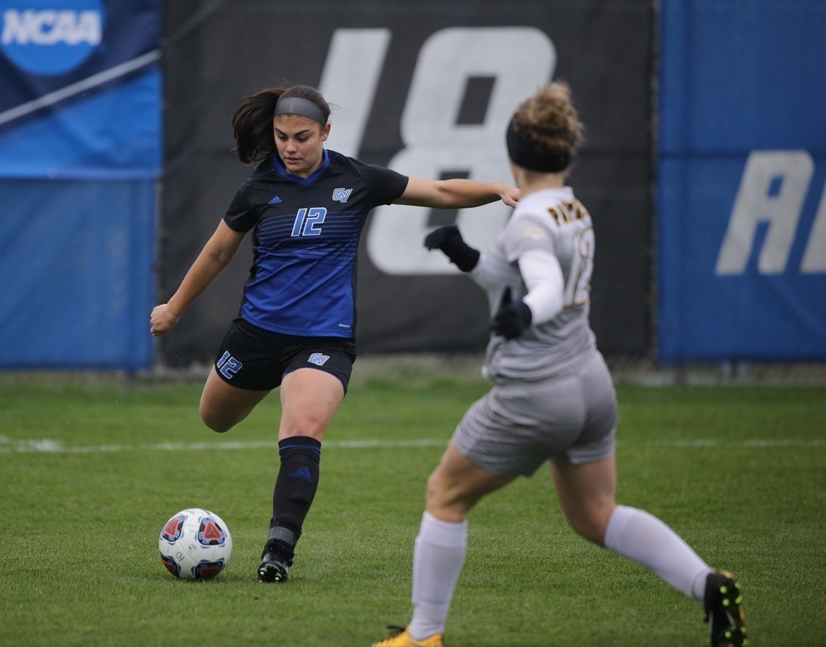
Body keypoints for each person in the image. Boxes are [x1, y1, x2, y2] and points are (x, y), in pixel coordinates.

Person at [372, 82, 748, 647]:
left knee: (445, 496)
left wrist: (525, 314)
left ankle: (424, 636)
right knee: (596, 514)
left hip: (535, 391)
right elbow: (527, 274)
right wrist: (466, 257)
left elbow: (543, 285)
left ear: (512, 156)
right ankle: (708, 584)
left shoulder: (526, 219)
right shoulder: (570, 208)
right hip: (590, 383)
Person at [150, 83, 519, 583]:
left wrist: (496, 190)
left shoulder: (357, 178)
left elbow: (439, 191)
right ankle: (275, 516)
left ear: (326, 131)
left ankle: (279, 548)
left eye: (302, 136)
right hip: (256, 334)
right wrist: (174, 308)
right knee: (214, 418)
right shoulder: (259, 188)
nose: (290, 147)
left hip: (323, 339)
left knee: (301, 427)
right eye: (282, 137)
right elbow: (218, 253)